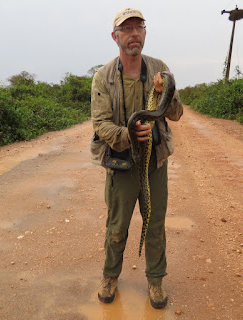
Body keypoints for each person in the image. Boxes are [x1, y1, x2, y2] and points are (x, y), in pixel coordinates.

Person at [90, 7, 183, 309]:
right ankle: (110, 276)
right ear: (114, 36)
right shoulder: (103, 77)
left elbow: (177, 113)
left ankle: (155, 281)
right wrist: (127, 134)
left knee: (154, 223)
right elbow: (101, 124)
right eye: (126, 29)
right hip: (120, 162)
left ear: (144, 32)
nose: (133, 34)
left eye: (138, 27)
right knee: (117, 225)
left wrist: (164, 92)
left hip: (153, 162)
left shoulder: (160, 69)